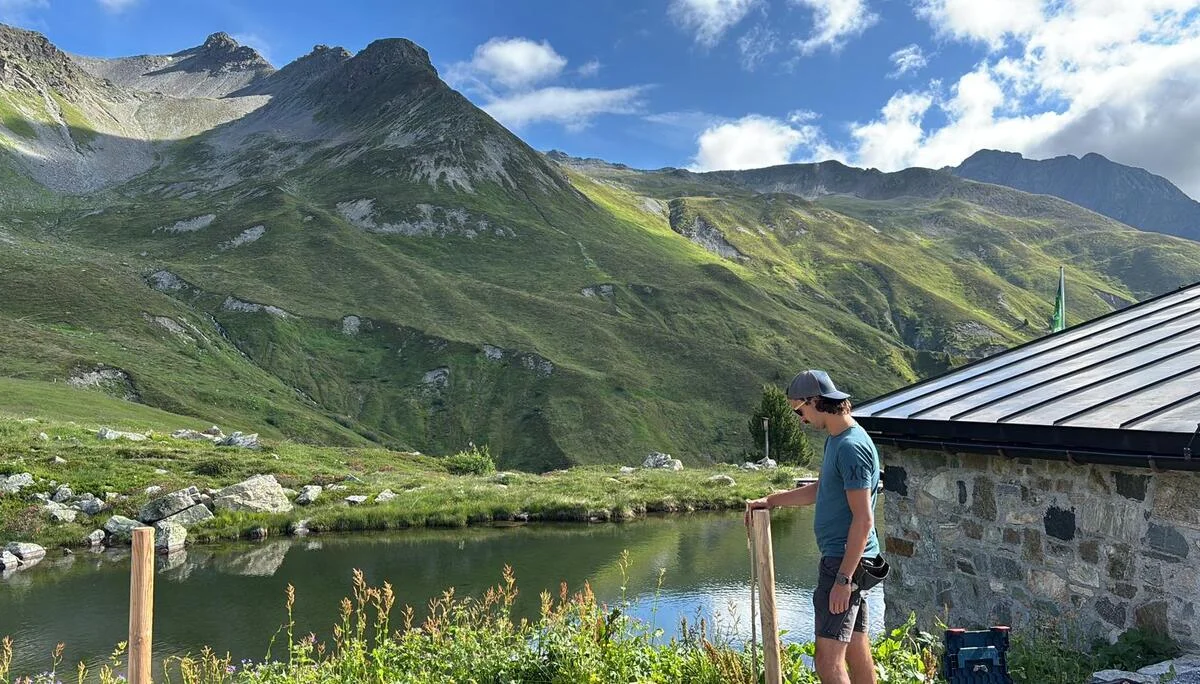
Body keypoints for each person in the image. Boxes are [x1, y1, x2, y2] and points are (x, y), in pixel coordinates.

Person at [745, 369, 882, 684]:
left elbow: (863, 519)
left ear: (816, 401)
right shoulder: (838, 439)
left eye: (799, 410)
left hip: (844, 561)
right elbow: (821, 491)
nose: (799, 419)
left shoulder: (851, 447)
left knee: (827, 661)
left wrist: (843, 579)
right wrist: (772, 500)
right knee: (856, 649)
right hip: (851, 560)